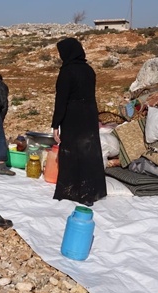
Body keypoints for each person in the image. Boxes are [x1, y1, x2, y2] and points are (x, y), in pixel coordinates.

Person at [51, 37, 106, 206]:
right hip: (89, 113)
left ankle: (73, 191)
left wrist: (55, 125)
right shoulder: (89, 70)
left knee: (72, 151)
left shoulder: (67, 71)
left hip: (73, 115)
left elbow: (61, 100)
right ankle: (92, 191)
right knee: (89, 150)